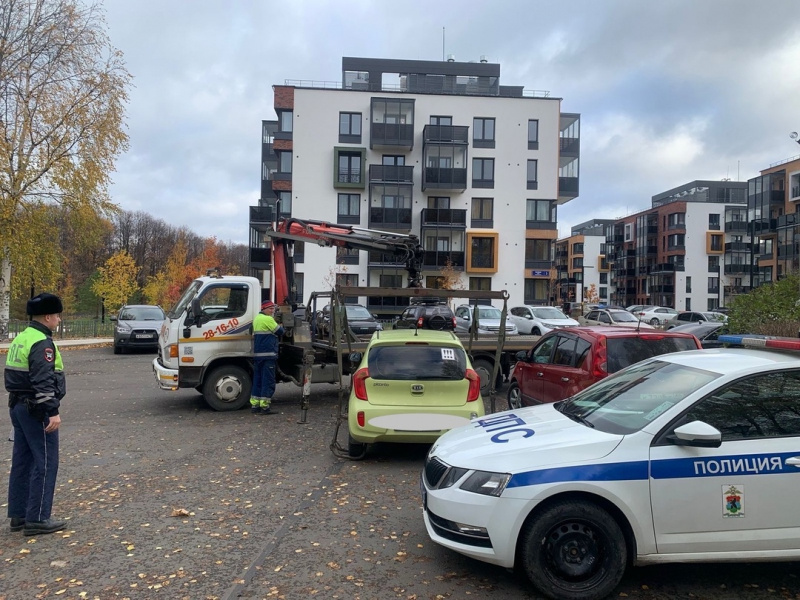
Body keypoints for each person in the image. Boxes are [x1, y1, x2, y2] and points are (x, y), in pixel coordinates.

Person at [5, 293, 67, 536]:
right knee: (46, 462)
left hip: (18, 407)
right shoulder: (42, 342)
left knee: (22, 462)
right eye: (58, 316)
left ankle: (19, 515)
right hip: (36, 410)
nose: (59, 320)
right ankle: (38, 517)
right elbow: (42, 381)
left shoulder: (22, 338)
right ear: (48, 316)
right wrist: (52, 411)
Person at [250, 300, 284, 415]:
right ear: (264, 309)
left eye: (273, 308)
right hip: (268, 355)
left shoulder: (257, 319)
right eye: (270, 308)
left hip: (258, 355)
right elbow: (280, 331)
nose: (272, 311)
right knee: (267, 381)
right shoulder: (268, 319)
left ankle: (255, 405)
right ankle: (265, 407)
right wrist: (280, 325)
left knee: (258, 380)